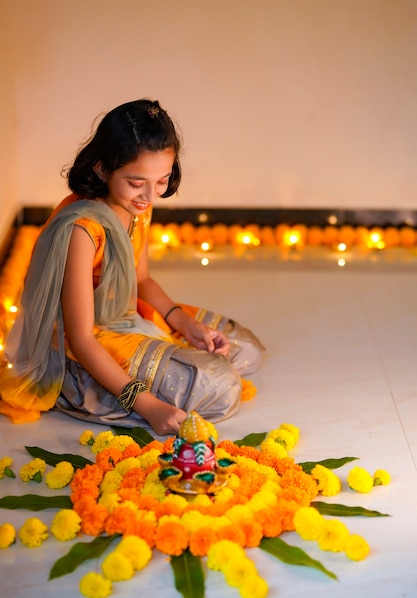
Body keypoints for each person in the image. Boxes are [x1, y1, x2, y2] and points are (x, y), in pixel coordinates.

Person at [0, 99, 264, 435]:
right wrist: (149, 406)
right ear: (101, 169)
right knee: (220, 386)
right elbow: (80, 338)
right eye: (136, 182)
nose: (149, 196)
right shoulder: (82, 230)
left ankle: (173, 365)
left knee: (245, 349)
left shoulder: (137, 206)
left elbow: (141, 280)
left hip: (128, 316)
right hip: (86, 341)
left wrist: (184, 323)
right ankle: (81, 384)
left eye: (162, 181)